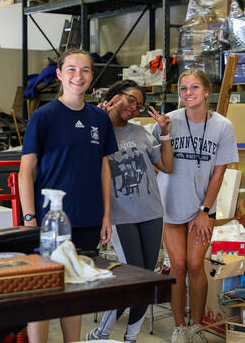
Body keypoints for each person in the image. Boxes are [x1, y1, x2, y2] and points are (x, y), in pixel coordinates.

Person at [19, 49, 118, 343]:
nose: (79, 76)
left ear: (91, 77)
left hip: (87, 218)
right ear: (60, 74)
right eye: (72, 69)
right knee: (44, 293)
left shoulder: (100, 118)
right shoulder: (43, 117)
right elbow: (26, 172)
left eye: (85, 70)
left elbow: (104, 169)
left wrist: (106, 215)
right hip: (49, 222)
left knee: (74, 290)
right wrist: (29, 219)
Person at [153, 69, 238, 343]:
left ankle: (198, 327)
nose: (188, 93)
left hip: (202, 207)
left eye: (194, 88)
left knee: (194, 264)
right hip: (171, 204)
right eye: (183, 89)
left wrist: (204, 211)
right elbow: (152, 158)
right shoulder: (169, 122)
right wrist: (163, 134)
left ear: (206, 93)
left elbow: (219, 173)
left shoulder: (223, 126)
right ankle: (180, 327)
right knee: (177, 265)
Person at [85, 80, 173, 342]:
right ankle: (100, 334)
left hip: (152, 213)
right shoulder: (95, 131)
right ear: (114, 96)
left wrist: (165, 133)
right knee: (131, 277)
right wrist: (96, 120)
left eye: (139, 104)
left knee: (146, 280)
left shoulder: (141, 133)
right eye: (130, 100)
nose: (134, 107)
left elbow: (166, 166)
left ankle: (131, 337)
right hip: (121, 217)